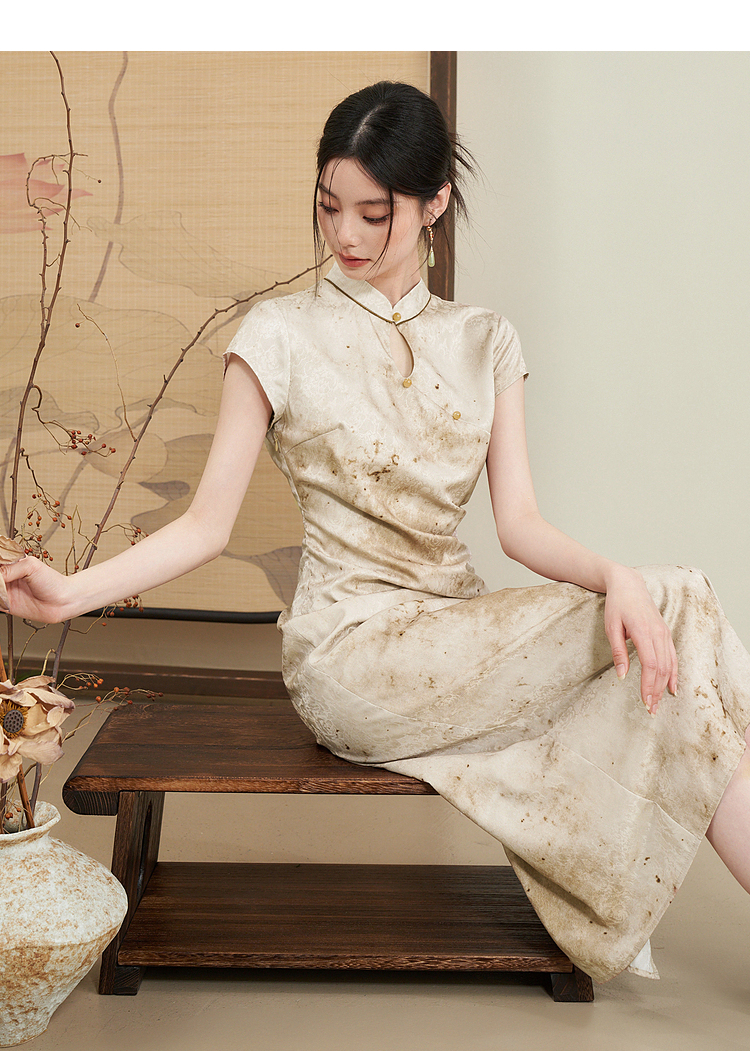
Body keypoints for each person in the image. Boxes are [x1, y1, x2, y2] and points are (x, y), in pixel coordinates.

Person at [2, 81, 750, 984]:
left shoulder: (484, 340)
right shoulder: (280, 333)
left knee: (675, 617)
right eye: (330, 207)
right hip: (352, 657)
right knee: (685, 602)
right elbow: (205, 524)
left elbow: (520, 526)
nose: (345, 235)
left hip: (459, 631)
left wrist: (615, 575)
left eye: (373, 212)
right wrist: (68, 594)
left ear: (434, 204)